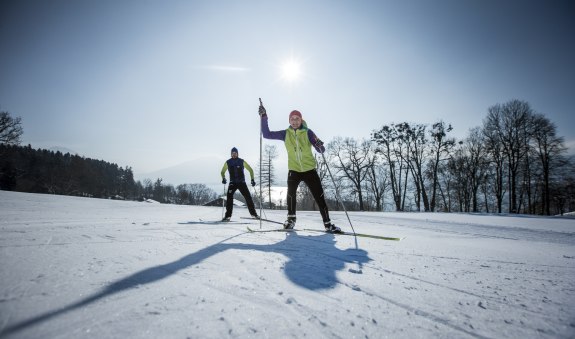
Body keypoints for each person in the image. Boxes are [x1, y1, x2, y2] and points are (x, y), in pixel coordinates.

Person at [258, 104, 341, 233]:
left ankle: (327, 223)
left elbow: (321, 150)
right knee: (290, 195)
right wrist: (264, 116)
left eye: (297, 118)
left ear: (301, 120)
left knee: (319, 196)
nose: (295, 121)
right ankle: (291, 220)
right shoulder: (285, 134)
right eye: (292, 119)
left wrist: (319, 145)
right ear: (289, 121)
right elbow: (267, 134)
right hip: (294, 170)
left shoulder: (308, 132)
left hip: (309, 170)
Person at [220, 147, 259, 221]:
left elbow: (251, 170)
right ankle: (228, 216)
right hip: (232, 183)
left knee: (248, 197)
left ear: (237, 154)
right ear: (231, 154)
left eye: (235, 153)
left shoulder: (241, 161)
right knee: (229, 198)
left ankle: (254, 214)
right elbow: (222, 172)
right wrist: (223, 178)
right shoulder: (228, 162)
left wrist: (252, 179)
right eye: (232, 153)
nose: (234, 154)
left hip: (241, 183)